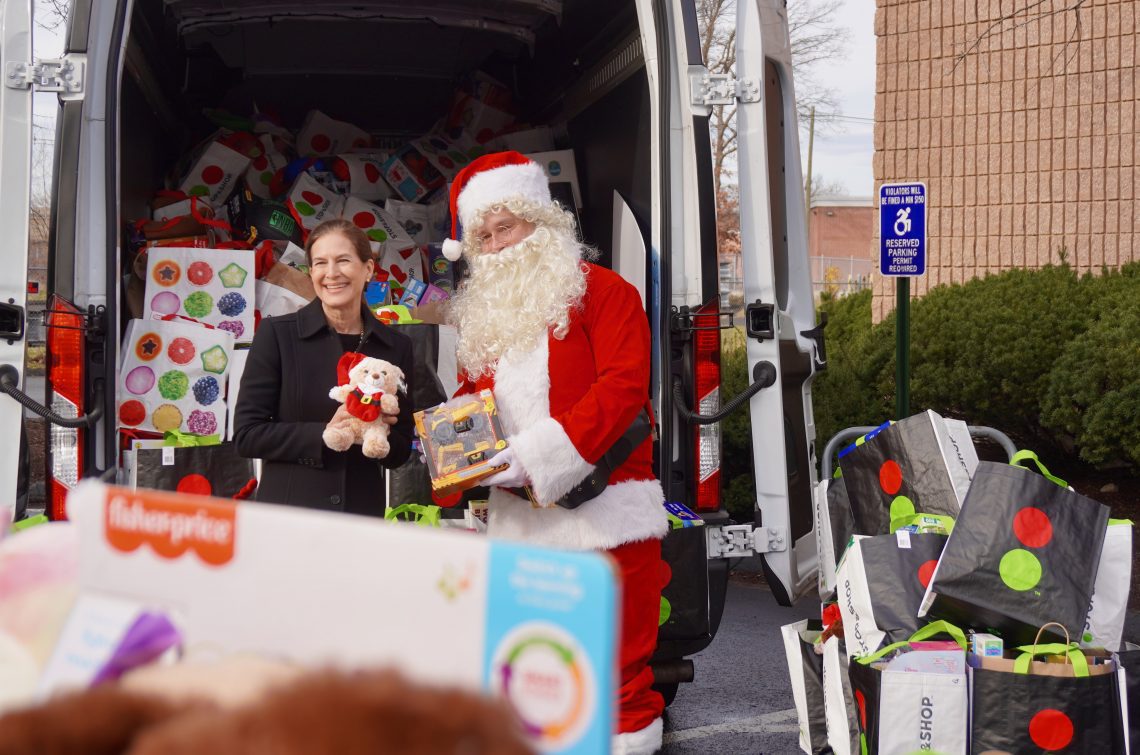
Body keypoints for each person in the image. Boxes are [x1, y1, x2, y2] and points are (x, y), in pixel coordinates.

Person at [440, 151, 668, 755]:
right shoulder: (485, 321)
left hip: (606, 515)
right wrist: (454, 450)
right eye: (484, 237)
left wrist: (538, 457)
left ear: (540, 221)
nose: (496, 246)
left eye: (506, 227)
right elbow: (472, 404)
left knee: (616, 675)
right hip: (521, 524)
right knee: (531, 670)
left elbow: (623, 388)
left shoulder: (607, 292)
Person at [235, 218, 414, 515]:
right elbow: (247, 436)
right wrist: (324, 433)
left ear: (368, 269)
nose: (331, 273)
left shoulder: (396, 346)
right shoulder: (277, 335)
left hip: (359, 516)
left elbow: (401, 450)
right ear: (311, 272)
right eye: (320, 263)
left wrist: (380, 429)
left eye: (343, 260)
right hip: (290, 514)